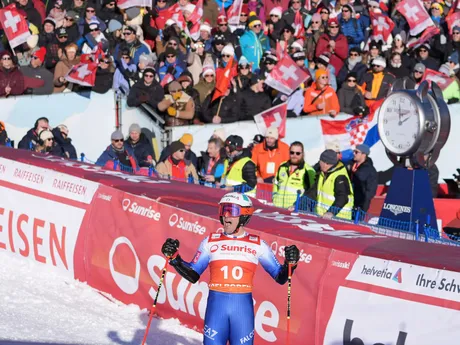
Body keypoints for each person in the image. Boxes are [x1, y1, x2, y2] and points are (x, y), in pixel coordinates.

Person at [161, 192, 300, 345]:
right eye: (223, 210)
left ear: (244, 215)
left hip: (242, 313)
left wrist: (290, 263)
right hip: (216, 311)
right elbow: (193, 275)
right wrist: (175, 258)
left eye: (232, 211)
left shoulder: (257, 244)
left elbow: (280, 277)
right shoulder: (211, 241)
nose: (226, 217)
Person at [306, 149, 354, 219]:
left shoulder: (340, 176)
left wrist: (331, 212)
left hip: (339, 219)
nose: (319, 163)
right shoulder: (323, 174)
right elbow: (312, 192)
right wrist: (297, 204)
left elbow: (343, 198)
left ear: (326, 163)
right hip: (323, 217)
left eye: (320, 161)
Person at [273, 141, 316, 210]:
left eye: (298, 153)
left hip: (295, 211)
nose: (294, 155)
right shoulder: (282, 166)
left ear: (303, 154)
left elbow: (312, 193)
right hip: (278, 208)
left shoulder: (308, 171)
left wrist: (298, 206)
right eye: (292, 152)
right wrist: (274, 197)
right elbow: (276, 183)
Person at [348, 144, 377, 212]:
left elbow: (361, 177)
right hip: (351, 199)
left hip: (361, 202)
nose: (354, 153)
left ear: (364, 154)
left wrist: (352, 170)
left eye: (356, 152)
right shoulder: (352, 164)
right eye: (354, 151)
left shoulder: (368, 168)